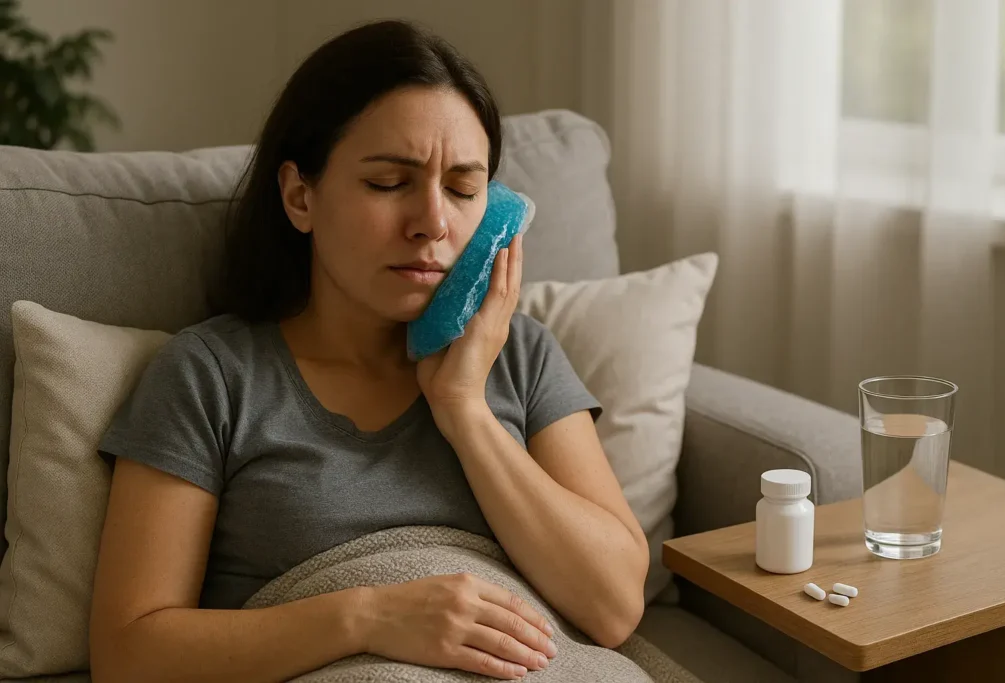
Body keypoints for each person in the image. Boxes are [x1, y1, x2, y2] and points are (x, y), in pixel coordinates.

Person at [89, 19, 649, 683]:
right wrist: (370, 617)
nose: (434, 222)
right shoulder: (210, 375)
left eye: (464, 189)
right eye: (389, 182)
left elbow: (614, 606)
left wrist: (465, 409)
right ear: (301, 196)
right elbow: (128, 652)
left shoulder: (519, 354)